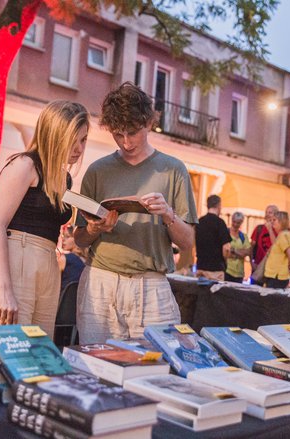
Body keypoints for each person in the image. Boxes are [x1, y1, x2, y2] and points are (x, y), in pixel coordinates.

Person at [73, 82, 198, 344]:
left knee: (154, 368)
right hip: (100, 281)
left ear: (149, 123)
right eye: (118, 134)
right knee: (97, 367)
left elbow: (186, 242)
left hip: (152, 286)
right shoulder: (97, 171)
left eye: (132, 132)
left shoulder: (174, 170)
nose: (126, 142)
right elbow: (79, 239)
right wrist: (95, 229)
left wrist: (168, 214)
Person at [0, 101, 89, 345]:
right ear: (54, 136)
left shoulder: (63, 178)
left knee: (36, 355)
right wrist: (4, 288)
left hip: (47, 266)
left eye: (83, 140)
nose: (78, 148)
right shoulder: (25, 165)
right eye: (73, 140)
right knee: (1, 354)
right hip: (12, 261)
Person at [195, 195, 232, 281]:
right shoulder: (220, 223)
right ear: (219, 205)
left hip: (200, 268)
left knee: (201, 294)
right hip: (216, 270)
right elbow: (226, 248)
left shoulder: (199, 222)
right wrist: (225, 260)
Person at [263, 211, 290, 288]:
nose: (272, 222)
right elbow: (277, 244)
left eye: (274, 220)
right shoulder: (286, 234)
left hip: (276, 275)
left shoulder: (283, 236)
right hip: (279, 275)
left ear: (281, 221)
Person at [250, 204, 279, 283]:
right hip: (258, 266)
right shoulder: (259, 228)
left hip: (272, 269)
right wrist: (252, 263)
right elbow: (251, 247)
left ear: (276, 215)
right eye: (266, 212)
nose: (267, 215)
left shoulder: (279, 231)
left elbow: (277, 246)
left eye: (270, 212)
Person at [56, 224, 86, 289]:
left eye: (67, 236)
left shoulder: (64, 259)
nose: (63, 239)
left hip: (61, 297)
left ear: (76, 239)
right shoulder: (86, 262)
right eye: (63, 236)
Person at [225, 211, 251, 283]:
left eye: (238, 222)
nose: (235, 224)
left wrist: (233, 250)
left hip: (239, 273)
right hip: (227, 270)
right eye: (234, 222)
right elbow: (226, 252)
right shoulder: (225, 233)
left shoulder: (243, 237)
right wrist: (240, 252)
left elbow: (247, 252)